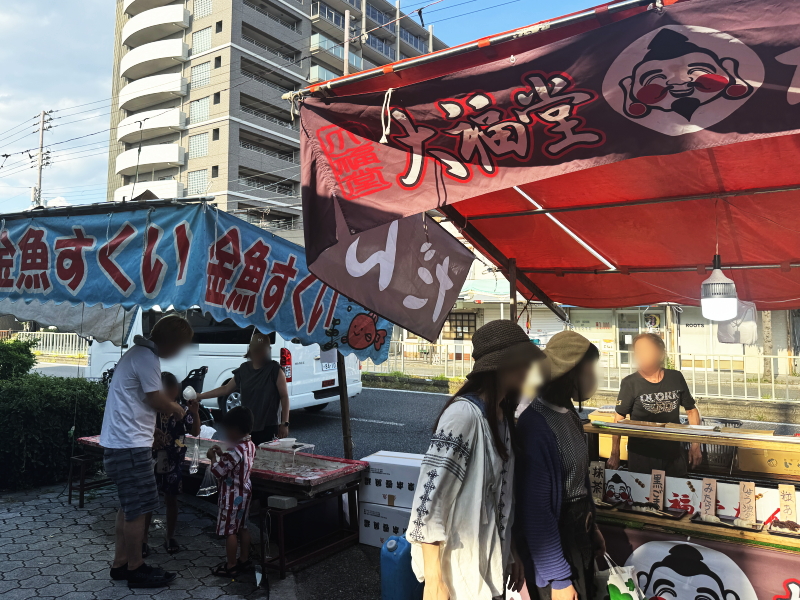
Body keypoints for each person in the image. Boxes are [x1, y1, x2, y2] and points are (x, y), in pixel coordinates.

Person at [406, 320, 543, 600]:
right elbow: (427, 503)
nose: (529, 367)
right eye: (522, 360)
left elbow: (501, 499)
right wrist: (434, 582)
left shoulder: (502, 418)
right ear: (499, 365)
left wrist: (512, 549)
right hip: (456, 577)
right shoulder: (463, 416)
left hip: (487, 567)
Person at [100, 315, 194, 588]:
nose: (179, 353)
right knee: (139, 507)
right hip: (128, 447)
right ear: (172, 342)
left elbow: (134, 401)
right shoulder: (146, 358)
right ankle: (135, 568)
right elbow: (154, 397)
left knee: (130, 507)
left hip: (124, 444)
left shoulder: (137, 355)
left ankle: (121, 564)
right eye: (180, 347)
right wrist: (177, 408)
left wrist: (151, 431)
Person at [516, 330, 606, 600]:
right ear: (570, 372)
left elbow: (581, 480)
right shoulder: (535, 425)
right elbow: (536, 511)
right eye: (589, 368)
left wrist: (594, 528)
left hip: (580, 533)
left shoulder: (571, 416)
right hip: (557, 543)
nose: (593, 375)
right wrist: (558, 578)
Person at [607, 333, 702, 476]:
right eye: (638, 351)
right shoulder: (630, 383)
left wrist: (696, 444)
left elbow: (692, 411)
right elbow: (619, 419)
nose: (641, 356)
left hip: (673, 453)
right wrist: (615, 453)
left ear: (661, 354)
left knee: (675, 495)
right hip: (641, 455)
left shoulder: (676, 377)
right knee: (643, 496)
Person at [143, 372, 201, 556]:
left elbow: (195, 431)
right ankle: (143, 539)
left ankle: (170, 537)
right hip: (152, 460)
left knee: (171, 499)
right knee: (149, 501)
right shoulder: (151, 409)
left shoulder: (181, 410)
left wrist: (195, 413)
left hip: (174, 460)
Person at [198, 333, 290, 445]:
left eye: (262, 350)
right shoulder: (244, 369)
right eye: (256, 349)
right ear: (250, 349)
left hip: (268, 426)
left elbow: (284, 396)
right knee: (244, 456)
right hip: (246, 426)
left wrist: (285, 423)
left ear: (268, 350)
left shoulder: (275, 370)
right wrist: (200, 396)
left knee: (264, 458)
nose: (259, 353)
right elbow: (226, 389)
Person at [206, 406, 257, 577]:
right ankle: (244, 559)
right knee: (243, 527)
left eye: (228, 430)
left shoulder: (235, 451)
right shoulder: (249, 445)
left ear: (235, 430)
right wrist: (222, 455)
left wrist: (213, 458)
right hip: (245, 492)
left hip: (231, 496)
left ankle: (231, 564)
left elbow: (218, 471)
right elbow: (233, 465)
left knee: (230, 531)